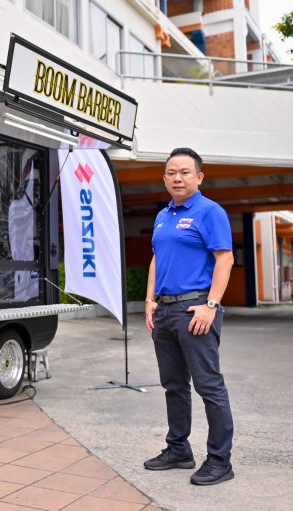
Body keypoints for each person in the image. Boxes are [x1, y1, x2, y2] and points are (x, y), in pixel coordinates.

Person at [143, 147, 235, 486]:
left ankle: (220, 460)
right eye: (171, 172)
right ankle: (178, 449)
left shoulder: (209, 211)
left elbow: (224, 260)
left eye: (184, 172)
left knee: (209, 385)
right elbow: (156, 258)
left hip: (194, 308)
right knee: (174, 385)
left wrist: (211, 305)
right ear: (165, 178)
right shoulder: (163, 214)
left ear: (199, 177)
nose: (177, 178)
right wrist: (150, 299)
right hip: (165, 311)